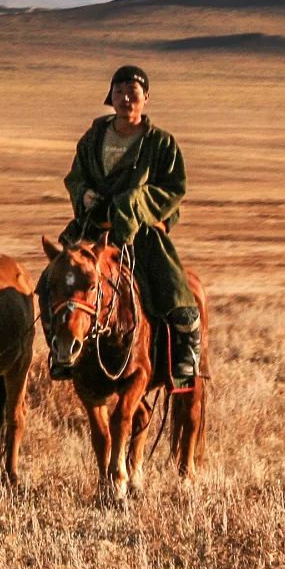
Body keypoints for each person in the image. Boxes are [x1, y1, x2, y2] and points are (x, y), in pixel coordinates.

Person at [59, 64, 201, 389]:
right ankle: (62, 356)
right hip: (92, 232)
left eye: (133, 92)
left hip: (141, 233)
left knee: (176, 292)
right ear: (111, 97)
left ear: (146, 97)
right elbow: (75, 177)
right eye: (119, 92)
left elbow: (173, 189)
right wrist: (84, 194)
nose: (125, 98)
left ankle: (184, 365)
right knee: (54, 284)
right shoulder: (93, 138)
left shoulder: (162, 143)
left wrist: (134, 202)